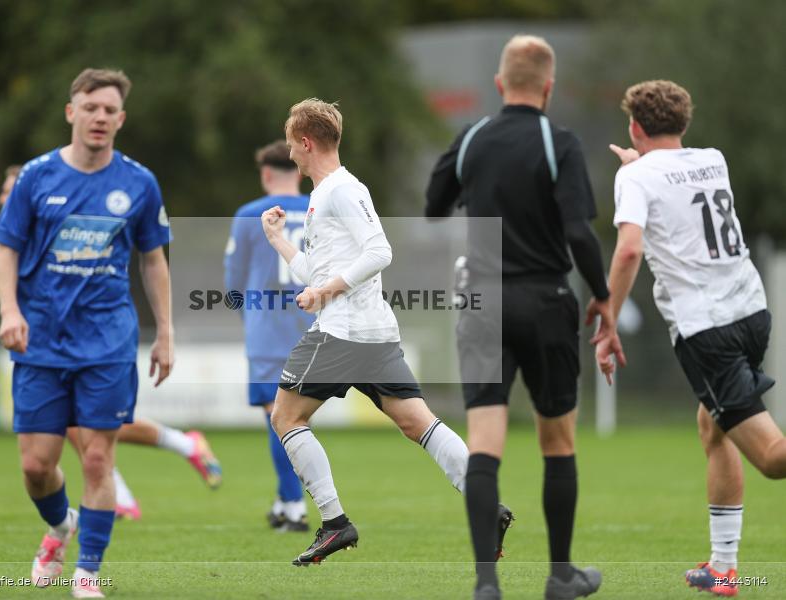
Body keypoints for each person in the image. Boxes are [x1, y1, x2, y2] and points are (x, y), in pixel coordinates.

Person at [261, 98, 513, 567]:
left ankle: (335, 523)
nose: (290, 153)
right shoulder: (328, 193)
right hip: (373, 332)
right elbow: (318, 271)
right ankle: (487, 505)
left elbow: (380, 251)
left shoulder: (340, 190)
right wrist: (279, 241)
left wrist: (327, 292)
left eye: (292, 143)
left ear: (306, 142)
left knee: (286, 418)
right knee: (417, 422)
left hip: (343, 332)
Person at [425, 35, 608, 600]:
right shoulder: (560, 143)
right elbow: (579, 230)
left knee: (485, 444)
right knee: (557, 441)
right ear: (548, 87)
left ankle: (487, 583)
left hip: (482, 302)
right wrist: (601, 294)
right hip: (547, 300)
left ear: (501, 84)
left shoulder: (475, 137)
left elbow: (434, 202)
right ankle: (560, 577)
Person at [594, 79, 786, 597]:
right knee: (713, 425)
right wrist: (641, 168)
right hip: (752, 310)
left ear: (634, 126)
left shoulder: (634, 178)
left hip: (708, 328)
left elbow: (629, 250)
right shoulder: (713, 159)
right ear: (684, 123)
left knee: (771, 458)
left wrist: (607, 317)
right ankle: (724, 569)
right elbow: (674, 181)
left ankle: (725, 567)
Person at [0, 68, 174, 598]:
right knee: (36, 466)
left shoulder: (139, 182)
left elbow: (154, 260)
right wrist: (9, 310)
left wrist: (165, 332)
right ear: (72, 112)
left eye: (109, 110)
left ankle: (88, 573)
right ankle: (59, 527)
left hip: (107, 342)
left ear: (121, 119)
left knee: (97, 458)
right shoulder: (35, 176)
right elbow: (5, 248)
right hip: (41, 341)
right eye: (90, 107)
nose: (100, 117)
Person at [0, 166, 222, 523]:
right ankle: (150, 472)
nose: (3, 198)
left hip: (94, 342)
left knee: (90, 431)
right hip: (46, 345)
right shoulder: (20, 235)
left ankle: (167, 458)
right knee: (66, 437)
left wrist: (164, 330)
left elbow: (147, 258)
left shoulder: (57, 211)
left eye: (9, 190)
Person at [224, 141, 314, 531]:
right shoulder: (319, 208)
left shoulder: (249, 215)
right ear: (298, 168)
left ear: (265, 174)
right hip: (316, 327)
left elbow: (233, 284)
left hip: (268, 334)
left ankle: (295, 507)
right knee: (297, 419)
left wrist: (248, 315)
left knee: (278, 420)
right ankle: (284, 499)